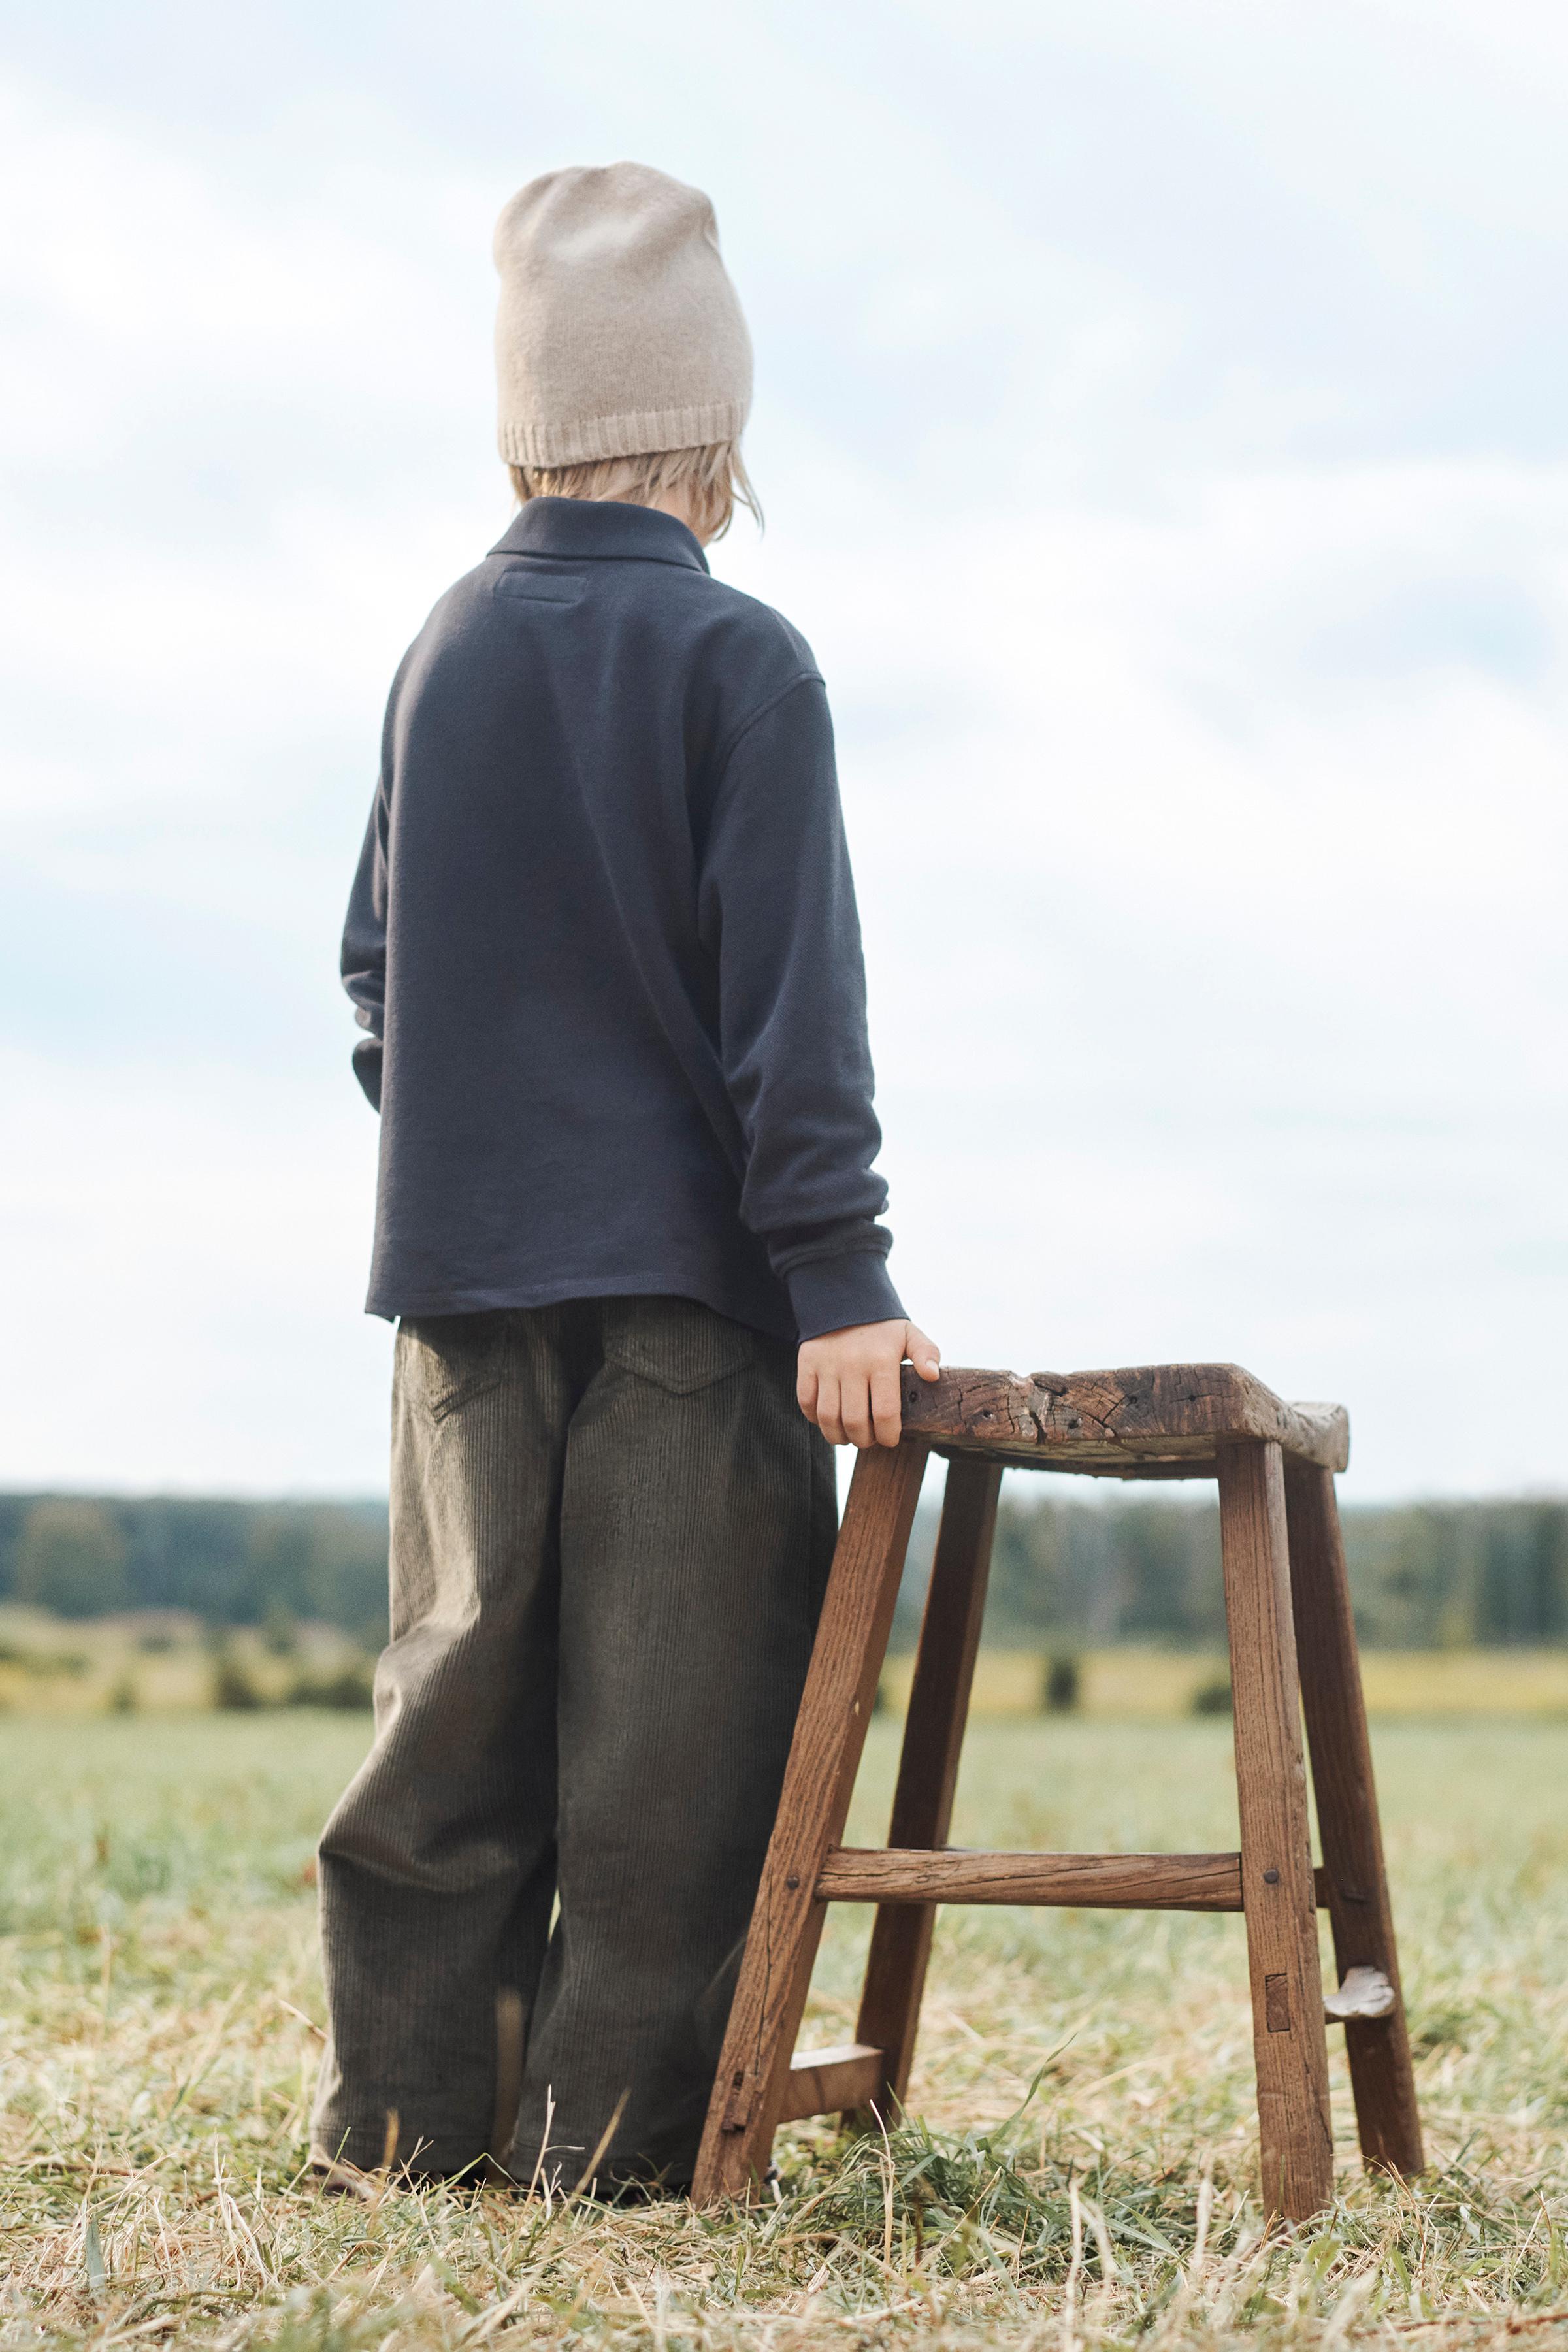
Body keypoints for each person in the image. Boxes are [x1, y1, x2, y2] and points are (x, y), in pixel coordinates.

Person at [310, 160, 939, 2197]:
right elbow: (792, 1012)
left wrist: (463, 1133)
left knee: (451, 1716)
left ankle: (411, 2133)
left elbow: (376, 971)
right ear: (715, 429)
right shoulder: (741, 662)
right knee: (668, 1754)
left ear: (525, 417)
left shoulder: (443, 652)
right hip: (692, 1301)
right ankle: (608, 2156)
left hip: (462, 1294)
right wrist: (837, 1276)